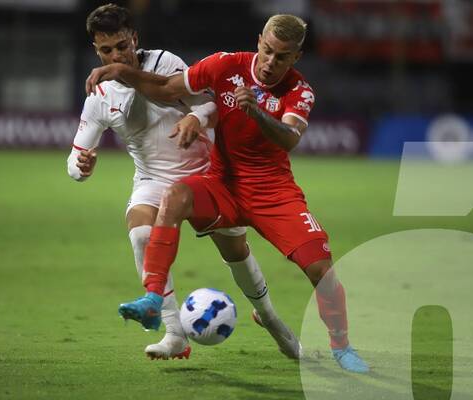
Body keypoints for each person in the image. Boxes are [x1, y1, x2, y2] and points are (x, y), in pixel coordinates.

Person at [85, 14, 370, 372]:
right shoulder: (225, 65)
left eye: (281, 57)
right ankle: (154, 298)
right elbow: (167, 88)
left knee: (322, 270)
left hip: (273, 194)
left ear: (295, 57)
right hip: (223, 184)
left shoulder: (300, 90)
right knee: (174, 197)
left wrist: (256, 113)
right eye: (267, 51)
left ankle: (342, 347)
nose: (270, 63)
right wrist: (121, 72)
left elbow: (290, 138)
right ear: (258, 41)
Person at [68, 4, 302, 361]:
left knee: (235, 254)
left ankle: (270, 317)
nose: (116, 55)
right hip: (152, 179)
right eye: (106, 50)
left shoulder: (164, 63)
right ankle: (175, 333)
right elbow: (75, 158)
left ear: (135, 38)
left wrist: (195, 117)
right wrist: (81, 165)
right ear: (96, 51)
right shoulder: (98, 96)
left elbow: (212, 102)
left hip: (205, 172)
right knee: (140, 233)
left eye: (121, 46)